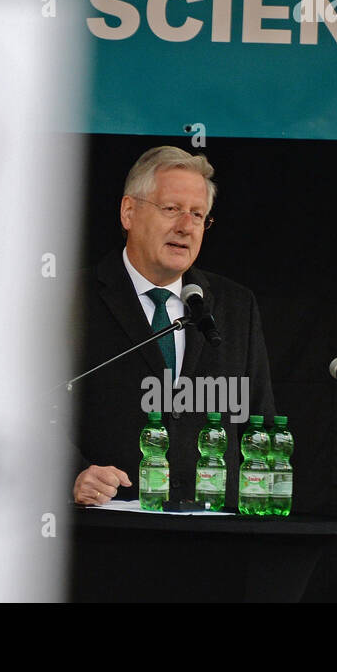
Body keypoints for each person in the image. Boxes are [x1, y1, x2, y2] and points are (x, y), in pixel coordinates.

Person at [72, 145, 275, 507]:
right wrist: (73, 474)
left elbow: (259, 421)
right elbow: (22, 412)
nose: (185, 226)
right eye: (171, 209)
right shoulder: (69, 300)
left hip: (211, 538)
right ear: (129, 212)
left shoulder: (235, 306)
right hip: (106, 531)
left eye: (198, 215)